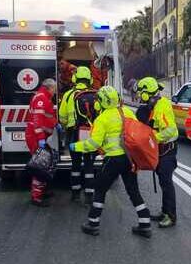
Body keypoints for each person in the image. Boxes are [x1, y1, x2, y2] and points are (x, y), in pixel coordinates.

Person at [70, 86, 153, 238]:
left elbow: (93, 144)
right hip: (129, 159)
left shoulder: (102, 119)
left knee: (100, 189)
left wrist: (75, 146)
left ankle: (93, 223)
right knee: (133, 191)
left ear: (101, 102)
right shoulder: (127, 112)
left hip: (113, 160)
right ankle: (145, 223)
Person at [136, 77, 179, 228]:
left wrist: (153, 137)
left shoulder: (162, 107)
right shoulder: (154, 106)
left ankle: (171, 216)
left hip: (168, 149)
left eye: (142, 93)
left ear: (147, 94)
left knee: (166, 183)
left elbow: (171, 130)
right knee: (163, 181)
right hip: (161, 149)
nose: (140, 96)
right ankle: (164, 211)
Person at [59, 66, 97, 202]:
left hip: (74, 133)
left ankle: (75, 193)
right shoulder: (96, 94)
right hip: (90, 133)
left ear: (75, 78)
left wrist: (66, 125)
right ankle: (89, 194)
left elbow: (62, 117)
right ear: (90, 79)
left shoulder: (68, 95)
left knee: (75, 163)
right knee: (89, 163)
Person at [25, 78, 59, 206]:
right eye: (54, 89)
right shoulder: (41, 98)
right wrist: (40, 139)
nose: (55, 92)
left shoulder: (43, 97)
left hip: (38, 135)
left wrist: (55, 124)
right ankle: (36, 197)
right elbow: (38, 120)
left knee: (44, 163)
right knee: (40, 165)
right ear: (49, 88)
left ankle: (41, 191)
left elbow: (47, 116)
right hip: (35, 136)